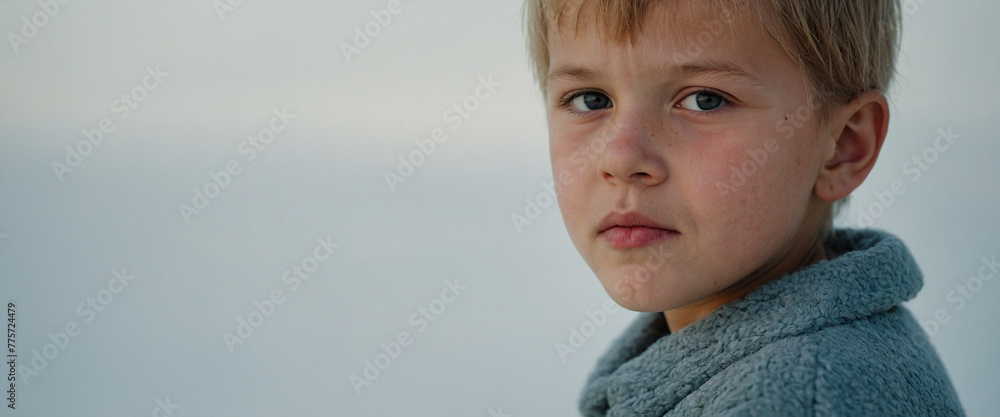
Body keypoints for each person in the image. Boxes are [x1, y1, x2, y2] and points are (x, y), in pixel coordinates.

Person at [522, 0, 966, 415]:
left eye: (704, 100)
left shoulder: (803, 398)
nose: (620, 159)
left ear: (843, 146)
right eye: (590, 100)